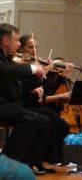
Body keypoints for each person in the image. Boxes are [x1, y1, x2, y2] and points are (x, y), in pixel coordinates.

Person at [0, 23, 52, 175]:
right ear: (5, 40)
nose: (18, 44)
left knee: (42, 121)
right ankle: (6, 163)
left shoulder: (6, 58)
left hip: (10, 105)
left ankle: (26, 161)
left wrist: (39, 76)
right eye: (16, 40)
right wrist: (31, 68)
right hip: (4, 105)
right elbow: (5, 71)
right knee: (30, 119)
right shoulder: (4, 61)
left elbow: (16, 80)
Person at [19, 34, 71, 166]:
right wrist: (45, 71)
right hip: (24, 104)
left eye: (36, 47)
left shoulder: (36, 64)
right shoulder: (22, 65)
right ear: (22, 48)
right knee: (49, 119)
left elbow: (47, 90)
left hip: (35, 105)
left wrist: (61, 76)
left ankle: (52, 158)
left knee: (61, 124)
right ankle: (38, 160)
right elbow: (30, 87)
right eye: (30, 47)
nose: (34, 51)